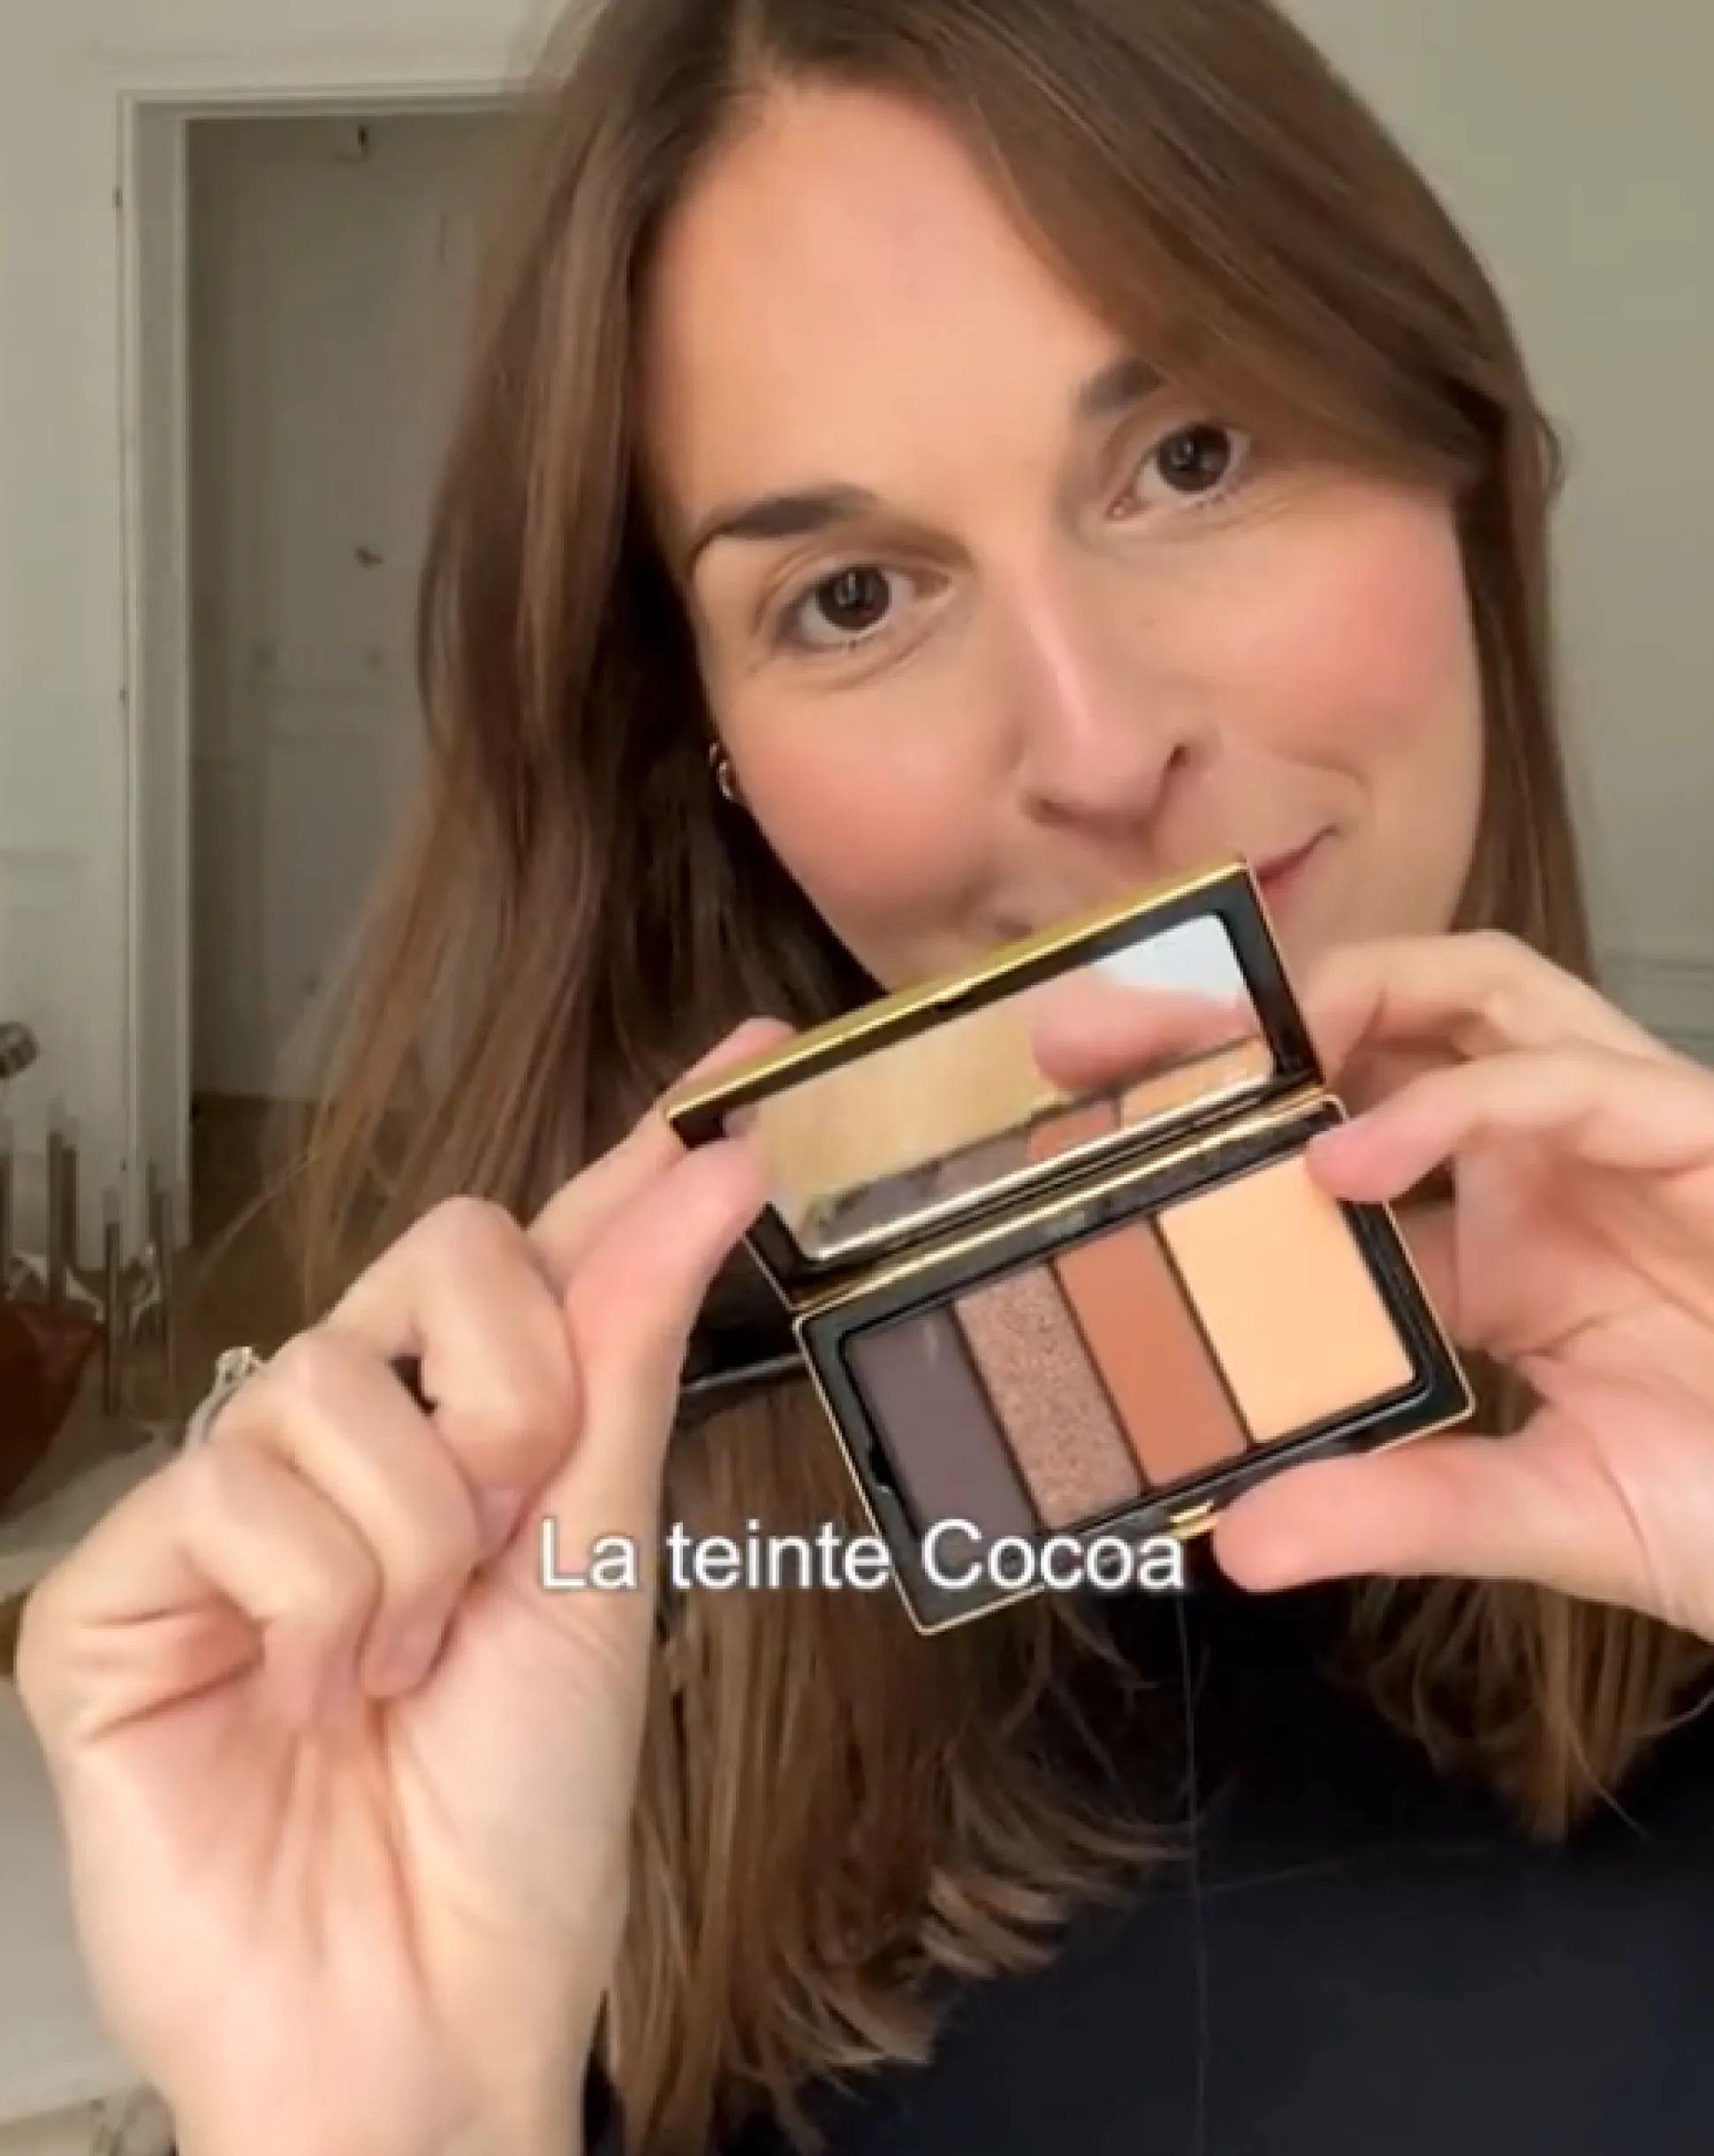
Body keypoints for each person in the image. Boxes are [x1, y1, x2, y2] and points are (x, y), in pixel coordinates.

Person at [18, 0, 1714, 2149]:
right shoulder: (534, 1607)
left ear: (1451, 450)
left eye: (1192, 453)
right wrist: (385, 2115)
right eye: (847, 595)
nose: (1095, 746)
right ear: (708, 747)